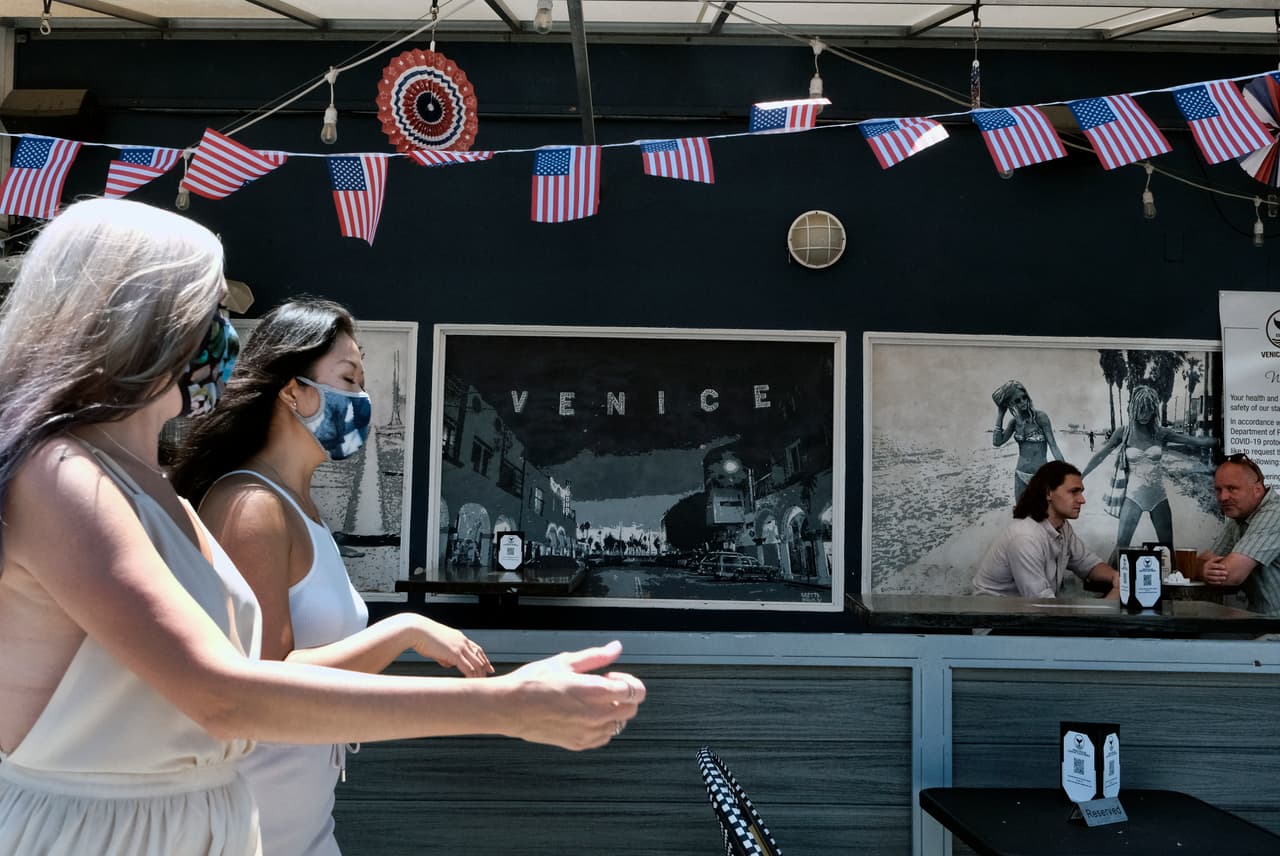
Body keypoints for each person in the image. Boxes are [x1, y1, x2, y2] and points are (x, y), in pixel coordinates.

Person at [0, 198, 644, 856]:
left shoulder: (150, 487)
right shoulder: (62, 473)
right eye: (212, 310)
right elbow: (224, 693)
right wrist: (508, 705)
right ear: (141, 318)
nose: (226, 334)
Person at [169, 297, 494, 856]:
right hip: (253, 829)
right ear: (292, 390)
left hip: (302, 825)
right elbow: (265, 679)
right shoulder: (252, 505)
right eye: (348, 378)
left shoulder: (299, 507)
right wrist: (407, 630)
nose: (361, 400)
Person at [1080, 384, 1217, 551]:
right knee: (1121, 548)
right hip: (1132, 497)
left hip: (1158, 497)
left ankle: (1171, 577)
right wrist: (1081, 476)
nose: (1145, 415)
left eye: (1149, 410)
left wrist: (1216, 441)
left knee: (1167, 548)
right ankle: (1110, 577)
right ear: (1133, 408)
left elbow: (1192, 441)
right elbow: (1100, 456)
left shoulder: (1161, 433)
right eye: (1141, 409)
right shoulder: (1124, 432)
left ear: (1154, 410)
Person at [973, 461, 1120, 598]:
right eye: (1074, 492)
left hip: (1027, 617)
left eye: (1081, 492)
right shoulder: (1025, 538)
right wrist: (1114, 599)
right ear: (1049, 493)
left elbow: (1087, 563)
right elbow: (1043, 608)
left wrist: (1116, 578)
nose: (1082, 499)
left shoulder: (1062, 527)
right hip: (995, 622)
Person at [1199, 454, 1280, 616]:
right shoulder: (1240, 517)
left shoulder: (1275, 513)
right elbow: (1205, 562)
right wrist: (1202, 569)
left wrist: (1201, 570)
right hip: (1262, 621)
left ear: (1257, 490)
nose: (1223, 497)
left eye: (1232, 488)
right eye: (1218, 490)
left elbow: (1230, 575)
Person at [990, 380, 1064, 501]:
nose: (1023, 402)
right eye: (1017, 400)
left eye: (1024, 397)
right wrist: (1000, 414)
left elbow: (1053, 446)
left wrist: (1066, 471)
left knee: (1042, 517)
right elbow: (997, 442)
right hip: (1020, 475)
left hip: (1041, 476)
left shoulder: (1041, 417)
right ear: (1011, 403)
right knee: (1022, 516)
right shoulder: (1014, 423)